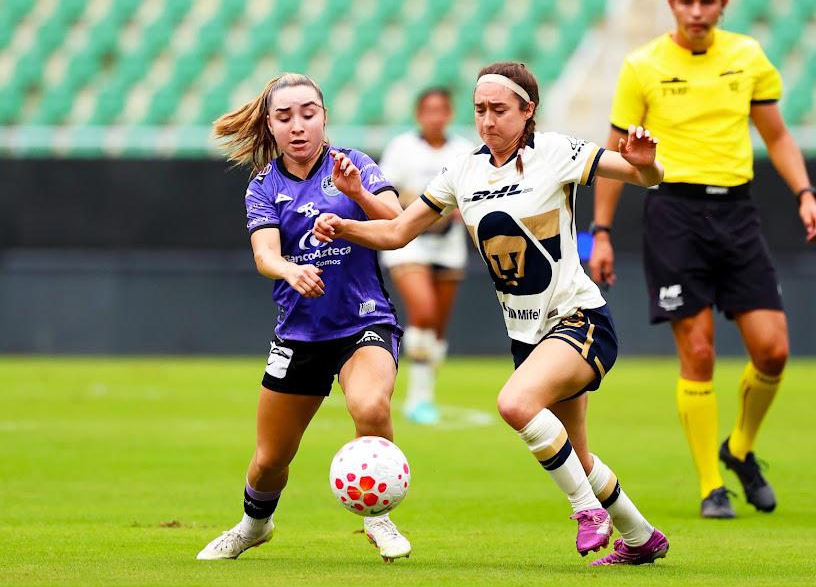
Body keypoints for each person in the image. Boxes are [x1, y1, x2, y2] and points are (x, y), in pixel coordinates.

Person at [314, 62, 670, 566]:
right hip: (528, 338)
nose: (486, 120)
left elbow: (644, 175)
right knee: (578, 457)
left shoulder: (556, 152)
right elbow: (398, 233)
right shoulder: (464, 170)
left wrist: (648, 164)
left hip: (579, 320)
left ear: (528, 112)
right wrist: (349, 217)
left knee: (514, 404)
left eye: (499, 110)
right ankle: (642, 539)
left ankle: (588, 511)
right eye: (479, 109)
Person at [589, 0, 816, 519]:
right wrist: (600, 231)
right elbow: (615, 152)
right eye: (687, 2)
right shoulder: (642, 65)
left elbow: (778, 134)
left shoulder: (747, 58)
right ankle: (708, 485)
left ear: (723, 4)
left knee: (773, 349)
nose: (697, 11)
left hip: (737, 213)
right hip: (673, 214)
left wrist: (805, 193)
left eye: (707, 2)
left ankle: (739, 448)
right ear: (672, 5)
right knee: (697, 351)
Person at [196, 73, 412, 562]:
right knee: (270, 460)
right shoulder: (263, 186)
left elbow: (396, 221)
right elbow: (265, 255)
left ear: (324, 117)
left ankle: (378, 518)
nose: (298, 126)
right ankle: (254, 525)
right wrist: (290, 271)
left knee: (372, 407)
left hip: (363, 321)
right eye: (285, 116)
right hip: (300, 333)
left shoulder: (353, 164)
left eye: (308, 114)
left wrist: (356, 195)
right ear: (270, 125)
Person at [378, 87, 474, 424]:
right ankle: (416, 400)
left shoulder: (464, 150)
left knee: (438, 328)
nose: (435, 116)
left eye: (442, 110)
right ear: (419, 114)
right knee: (424, 310)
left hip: (449, 246)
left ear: (449, 114)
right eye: (428, 110)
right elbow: (385, 193)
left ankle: (425, 394)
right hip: (410, 243)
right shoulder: (402, 148)